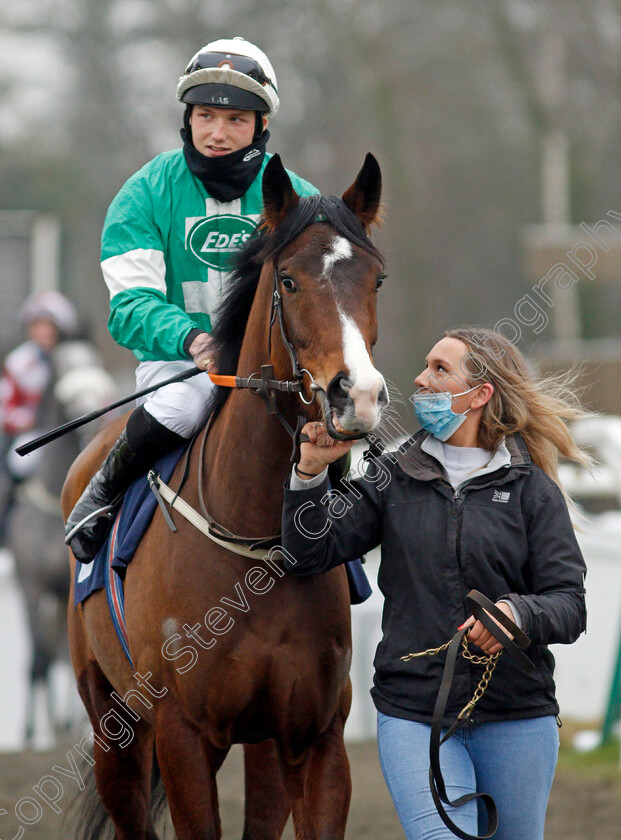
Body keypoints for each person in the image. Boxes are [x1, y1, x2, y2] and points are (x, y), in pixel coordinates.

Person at [281, 326, 588, 840]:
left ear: (480, 394)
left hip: (519, 717)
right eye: (425, 365)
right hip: (415, 715)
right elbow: (305, 553)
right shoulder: (391, 476)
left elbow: (570, 605)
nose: (420, 379)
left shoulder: (533, 490)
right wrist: (309, 473)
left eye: (440, 370)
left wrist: (516, 616)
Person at [64, 36, 318, 563]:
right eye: (205, 116)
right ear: (188, 117)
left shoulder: (300, 200)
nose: (217, 134)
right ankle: (101, 495)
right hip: (182, 366)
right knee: (185, 404)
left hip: (276, 368)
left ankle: (350, 544)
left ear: (261, 127)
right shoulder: (144, 193)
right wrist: (193, 339)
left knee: (337, 425)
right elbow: (130, 305)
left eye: (236, 121)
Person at [0, 290, 78, 544]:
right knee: (18, 463)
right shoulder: (19, 362)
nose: (44, 332)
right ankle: (8, 523)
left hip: (71, 434)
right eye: (38, 326)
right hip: (36, 435)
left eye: (49, 326)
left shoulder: (72, 359)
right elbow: (6, 409)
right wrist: (29, 420)